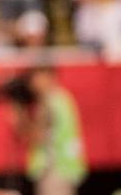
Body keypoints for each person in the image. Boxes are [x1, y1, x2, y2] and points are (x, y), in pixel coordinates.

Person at [18, 67, 87, 195]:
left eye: (35, 77)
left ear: (49, 76)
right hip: (64, 168)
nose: (31, 82)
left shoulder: (50, 102)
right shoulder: (63, 99)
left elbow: (37, 136)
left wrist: (19, 115)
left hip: (54, 169)